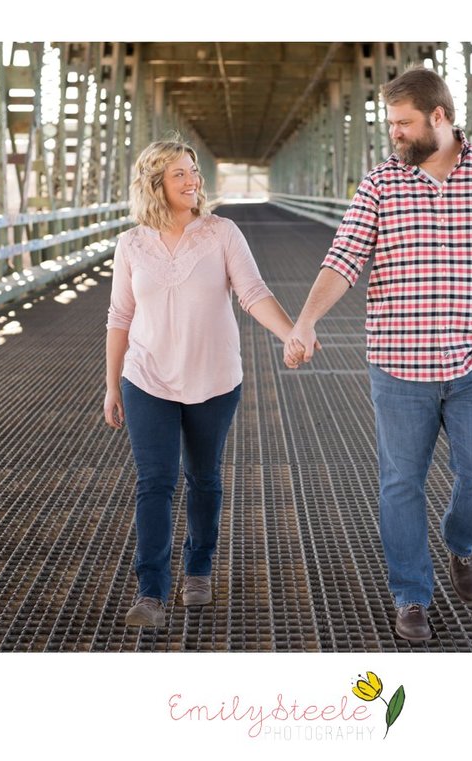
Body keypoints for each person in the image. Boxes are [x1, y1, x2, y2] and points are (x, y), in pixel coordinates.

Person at [284, 67, 472, 642]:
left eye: (403, 122)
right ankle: (411, 596)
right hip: (398, 365)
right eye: (389, 123)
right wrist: (306, 320)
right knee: (402, 481)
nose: (394, 133)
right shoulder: (380, 184)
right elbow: (343, 258)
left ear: (440, 118)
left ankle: (461, 544)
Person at [105, 137, 302, 628]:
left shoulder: (221, 233)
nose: (193, 180)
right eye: (179, 174)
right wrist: (112, 385)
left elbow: (252, 292)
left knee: (204, 478)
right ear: (155, 183)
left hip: (213, 378)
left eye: (194, 171)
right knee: (155, 482)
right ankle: (151, 591)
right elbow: (119, 318)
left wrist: (291, 333)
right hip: (147, 377)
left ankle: (198, 568)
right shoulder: (130, 244)